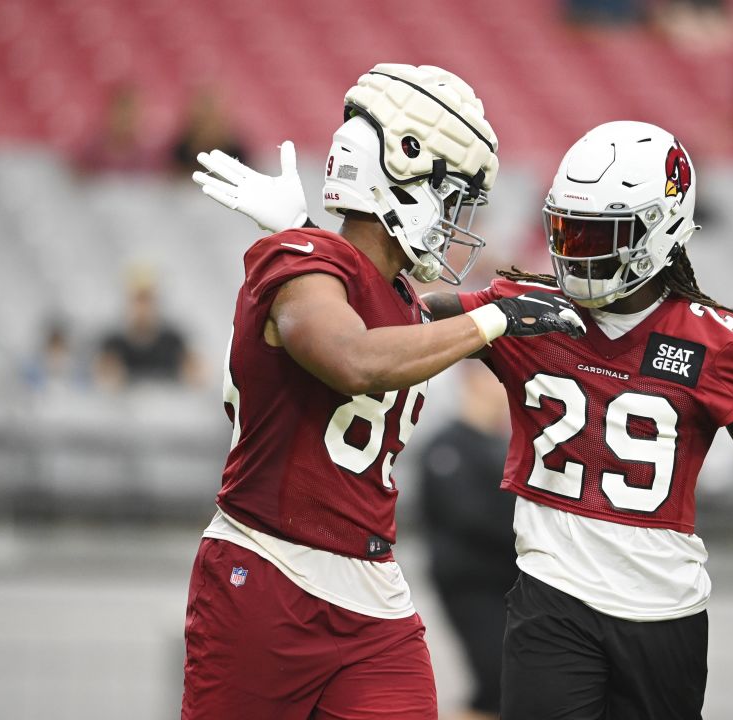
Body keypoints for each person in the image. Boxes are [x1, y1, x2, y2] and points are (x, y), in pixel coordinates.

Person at [205, 120, 733, 718]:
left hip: (667, 612)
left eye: (596, 234)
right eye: (568, 230)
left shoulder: (719, 341)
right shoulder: (522, 311)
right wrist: (306, 234)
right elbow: (385, 316)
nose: (574, 252)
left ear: (658, 233)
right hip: (551, 600)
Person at [180, 63, 584, 719]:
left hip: (372, 590)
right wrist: (493, 320)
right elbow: (352, 359)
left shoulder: (390, 292)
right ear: (397, 169)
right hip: (270, 570)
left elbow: (403, 311)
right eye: (450, 194)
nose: (457, 217)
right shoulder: (301, 266)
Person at [417, 363, 515, 720]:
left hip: (510, 586)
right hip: (470, 585)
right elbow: (467, 516)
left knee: (511, 688)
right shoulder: (446, 446)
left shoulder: (507, 447)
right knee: (496, 683)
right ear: (473, 379)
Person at [94, 267, 201, 389]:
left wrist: (193, 370)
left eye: (147, 298)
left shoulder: (173, 343)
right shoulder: (112, 345)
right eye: (138, 299)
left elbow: (197, 379)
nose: (143, 307)